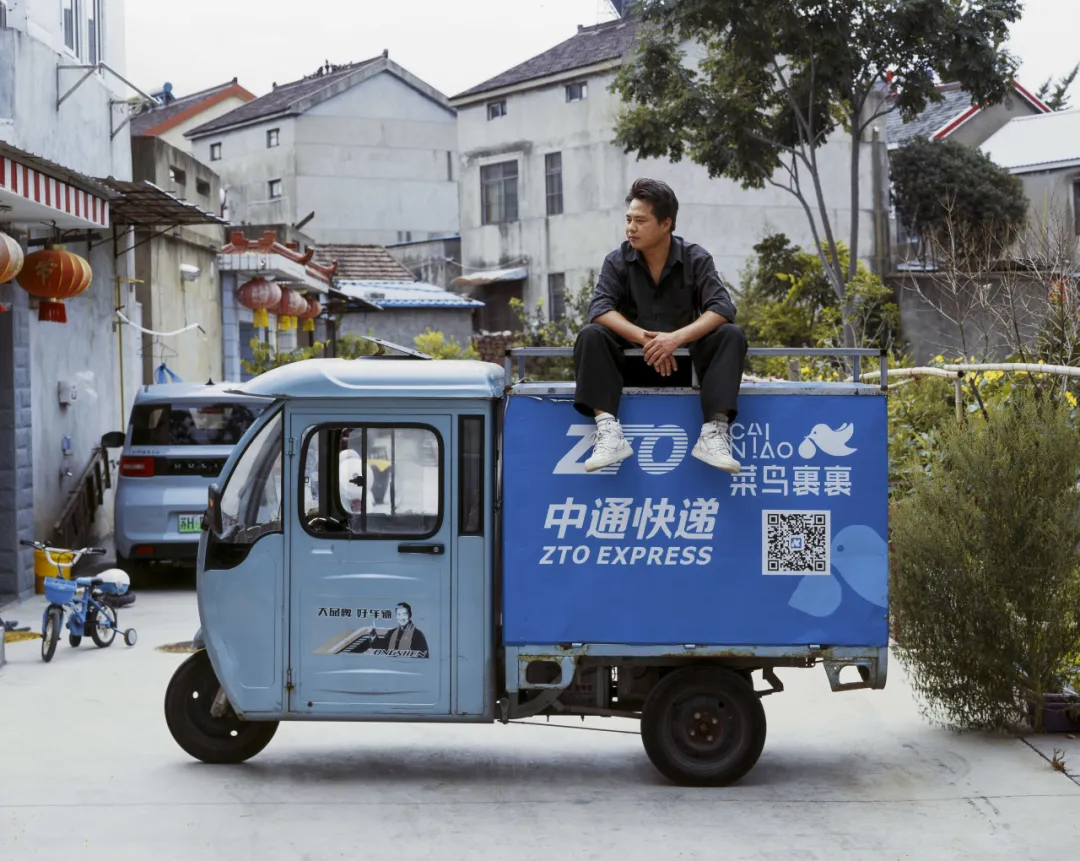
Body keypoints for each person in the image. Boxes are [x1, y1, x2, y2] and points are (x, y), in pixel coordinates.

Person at [573, 178, 748, 474]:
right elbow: (600, 308)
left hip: (686, 367)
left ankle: (714, 433)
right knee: (591, 335)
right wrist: (647, 340)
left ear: (666, 224)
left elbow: (722, 307)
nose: (631, 227)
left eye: (640, 221)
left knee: (731, 334)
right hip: (628, 365)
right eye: (628, 219)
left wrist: (675, 339)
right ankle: (607, 431)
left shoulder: (696, 258)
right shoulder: (617, 261)